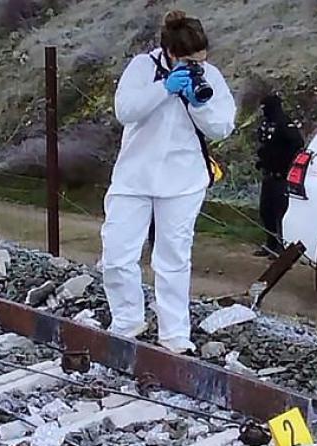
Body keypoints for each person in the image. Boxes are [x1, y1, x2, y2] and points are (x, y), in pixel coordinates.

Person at [100, 10, 236, 354]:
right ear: (171, 54)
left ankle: (175, 333)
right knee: (117, 254)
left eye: (201, 60)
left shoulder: (211, 76)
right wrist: (165, 88)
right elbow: (125, 110)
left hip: (183, 180)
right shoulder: (142, 68)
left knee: (173, 258)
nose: (197, 67)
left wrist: (196, 102)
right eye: (189, 61)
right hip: (134, 176)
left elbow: (221, 127)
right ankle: (128, 319)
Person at [254, 94, 304, 257]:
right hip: (268, 174)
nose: (263, 111)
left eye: (265, 108)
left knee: (280, 212)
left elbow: (297, 144)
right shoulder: (266, 123)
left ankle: (281, 246)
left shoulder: (284, 123)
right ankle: (270, 244)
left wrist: (284, 162)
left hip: (281, 175)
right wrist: (263, 160)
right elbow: (265, 145)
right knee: (266, 211)